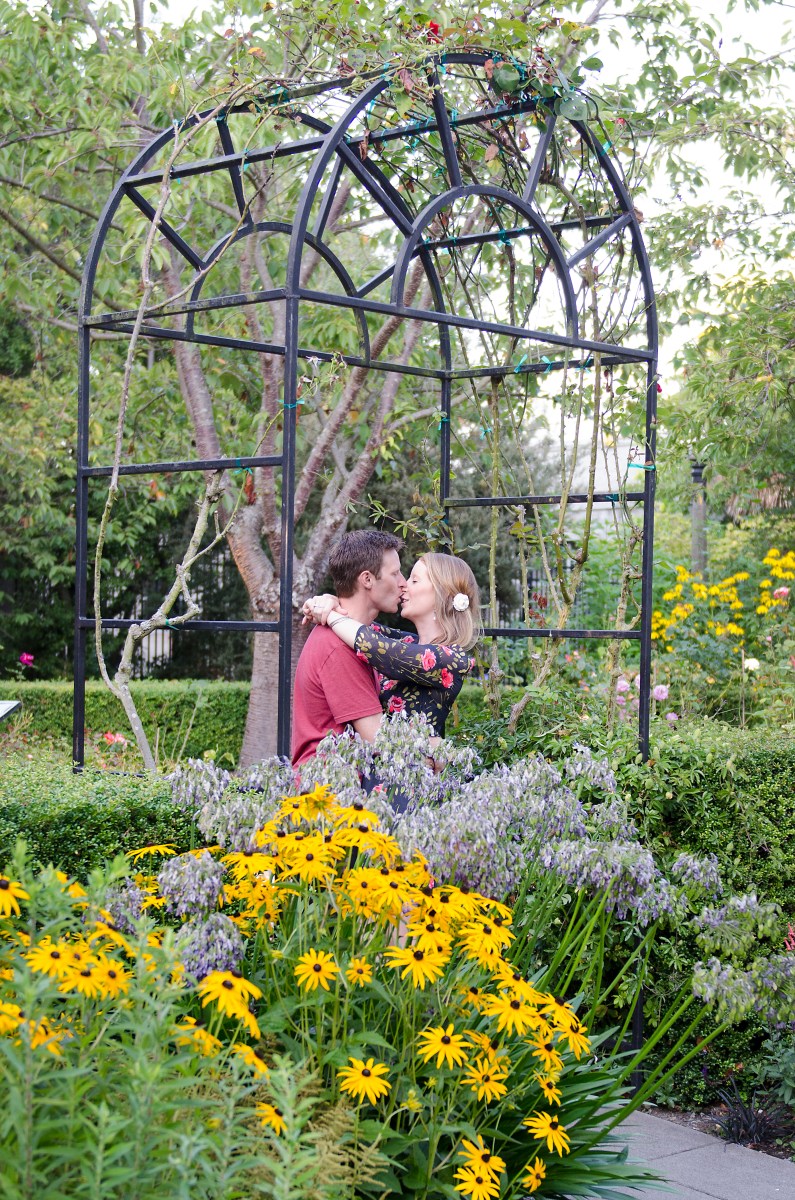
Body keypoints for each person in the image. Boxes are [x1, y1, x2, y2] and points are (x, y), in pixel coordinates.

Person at [302, 552, 481, 741]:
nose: (403, 586)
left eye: (414, 581)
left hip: (413, 767)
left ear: (441, 595)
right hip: (386, 763)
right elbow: (357, 623)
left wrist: (329, 614)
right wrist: (328, 601)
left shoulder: (452, 659)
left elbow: (370, 644)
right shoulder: (408, 643)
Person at [290, 529, 404, 767]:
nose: (403, 583)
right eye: (395, 573)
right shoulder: (337, 646)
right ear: (367, 579)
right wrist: (435, 751)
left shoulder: (359, 637)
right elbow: (377, 739)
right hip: (327, 793)